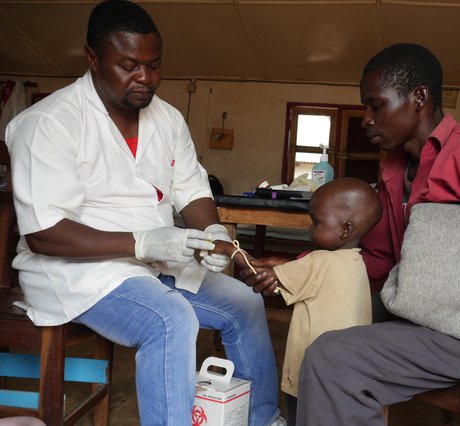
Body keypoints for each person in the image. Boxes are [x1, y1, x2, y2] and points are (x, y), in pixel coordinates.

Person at [248, 43, 460, 426]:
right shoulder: (395, 173)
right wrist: (295, 270)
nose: (365, 119)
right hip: (415, 312)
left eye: (375, 105)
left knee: (333, 357)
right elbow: (375, 259)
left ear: (419, 98)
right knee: (316, 320)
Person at [4, 1, 283, 425]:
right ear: (93, 57)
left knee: (244, 303)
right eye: (129, 65)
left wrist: (211, 229)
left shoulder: (167, 119)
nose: (145, 78)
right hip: (77, 271)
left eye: (154, 66)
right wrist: (141, 241)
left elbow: (191, 188)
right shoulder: (49, 123)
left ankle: (262, 418)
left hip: (153, 261)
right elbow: (44, 233)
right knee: (170, 320)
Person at [234, 177, 381, 425]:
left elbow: (266, 276)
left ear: (345, 230)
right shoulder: (357, 263)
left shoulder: (319, 261)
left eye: (316, 222)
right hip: (347, 375)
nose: (309, 228)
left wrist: (235, 254)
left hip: (310, 376)